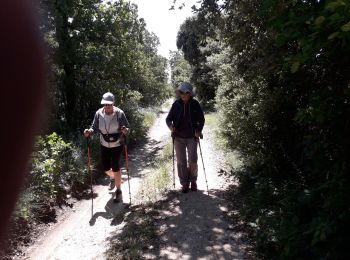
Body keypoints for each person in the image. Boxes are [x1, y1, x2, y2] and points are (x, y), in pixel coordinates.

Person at [83, 92, 130, 202]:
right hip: (104, 143)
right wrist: (89, 132)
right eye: (105, 104)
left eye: (109, 104)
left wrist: (125, 131)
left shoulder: (119, 113)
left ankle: (118, 190)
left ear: (113, 103)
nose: (107, 106)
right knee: (105, 168)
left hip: (117, 143)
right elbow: (94, 127)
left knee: (115, 166)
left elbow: (127, 128)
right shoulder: (99, 114)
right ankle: (114, 178)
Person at [166, 82, 205, 193]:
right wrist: (171, 126)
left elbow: (201, 120)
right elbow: (168, 119)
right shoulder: (176, 104)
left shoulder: (195, 104)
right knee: (181, 161)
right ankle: (184, 183)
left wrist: (198, 131)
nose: (184, 95)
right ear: (179, 93)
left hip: (192, 137)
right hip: (178, 137)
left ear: (190, 93)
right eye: (182, 92)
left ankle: (193, 180)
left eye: (186, 93)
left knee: (193, 160)